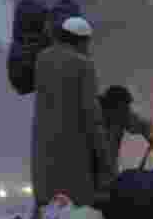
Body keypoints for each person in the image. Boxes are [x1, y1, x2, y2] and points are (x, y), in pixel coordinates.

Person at [31, 15, 109, 208]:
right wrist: (105, 159)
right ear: (81, 40)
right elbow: (92, 117)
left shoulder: (42, 60)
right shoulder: (84, 65)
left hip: (43, 167)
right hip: (73, 170)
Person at [98, 85, 153, 175]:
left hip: (107, 173)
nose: (126, 111)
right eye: (123, 108)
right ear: (113, 105)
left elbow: (144, 125)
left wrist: (152, 138)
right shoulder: (94, 117)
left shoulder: (122, 117)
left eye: (126, 108)